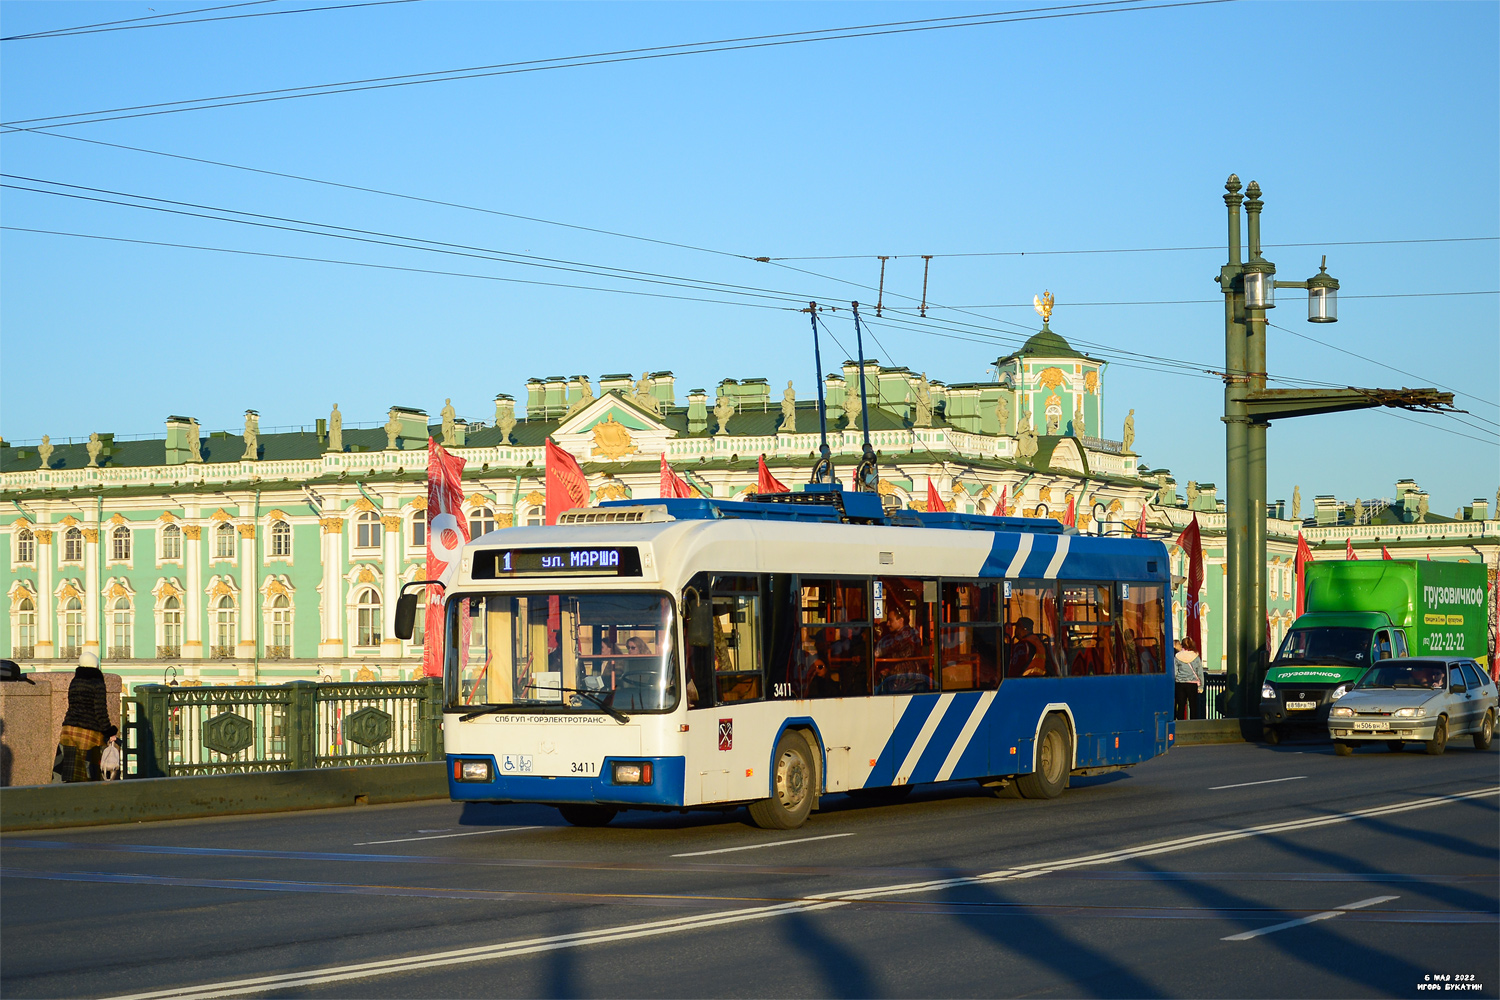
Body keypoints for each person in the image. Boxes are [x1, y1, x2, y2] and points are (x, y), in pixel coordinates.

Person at [53, 651, 117, 783]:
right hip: (88, 733)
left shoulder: (75, 681)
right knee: (87, 773)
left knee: (67, 771)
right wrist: (109, 731)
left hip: (68, 729)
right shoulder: (97, 683)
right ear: (96, 665)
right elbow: (100, 711)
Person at [1174, 638, 1204, 719]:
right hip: (1192, 684)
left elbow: (1175, 672)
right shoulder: (1196, 656)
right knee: (1193, 705)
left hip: (1180, 684)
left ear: (1182, 645)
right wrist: (1201, 686)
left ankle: (1180, 723)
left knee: (1181, 705)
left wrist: (1175, 681)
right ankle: (1193, 724)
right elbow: (1200, 673)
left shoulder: (1177, 656)